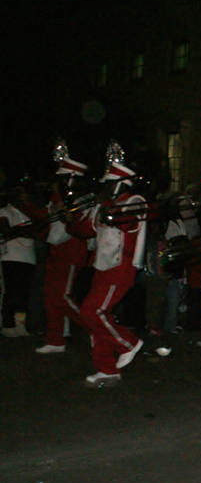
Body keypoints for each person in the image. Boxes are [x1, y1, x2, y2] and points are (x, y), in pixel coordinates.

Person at [66, 143, 147, 385]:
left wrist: (103, 206)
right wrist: (71, 219)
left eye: (110, 184)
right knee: (95, 316)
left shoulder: (135, 200)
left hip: (121, 267)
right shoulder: (106, 205)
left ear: (121, 184)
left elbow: (123, 222)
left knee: (93, 312)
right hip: (102, 267)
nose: (106, 188)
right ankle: (107, 368)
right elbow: (86, 229)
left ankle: (128, 343)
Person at [36, 145, 92, 353]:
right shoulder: (59, 198)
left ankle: (96, 329)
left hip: (71, 252)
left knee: (63, 297)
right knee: (50, 297)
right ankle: (55, 340)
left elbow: (72, 225)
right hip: (58, 251)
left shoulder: (80, 199)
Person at [0, 185, 42, 337]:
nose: (21, 198)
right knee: (11, 292)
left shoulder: (29, 212)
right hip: (10, 257)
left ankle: (20, 324)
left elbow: (38, 231)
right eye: (18, 194)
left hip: (29, 258)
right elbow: (7, 231)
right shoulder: (4, 211)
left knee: (23, 294)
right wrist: (28, 230)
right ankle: (7, 324)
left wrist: (19, 230)